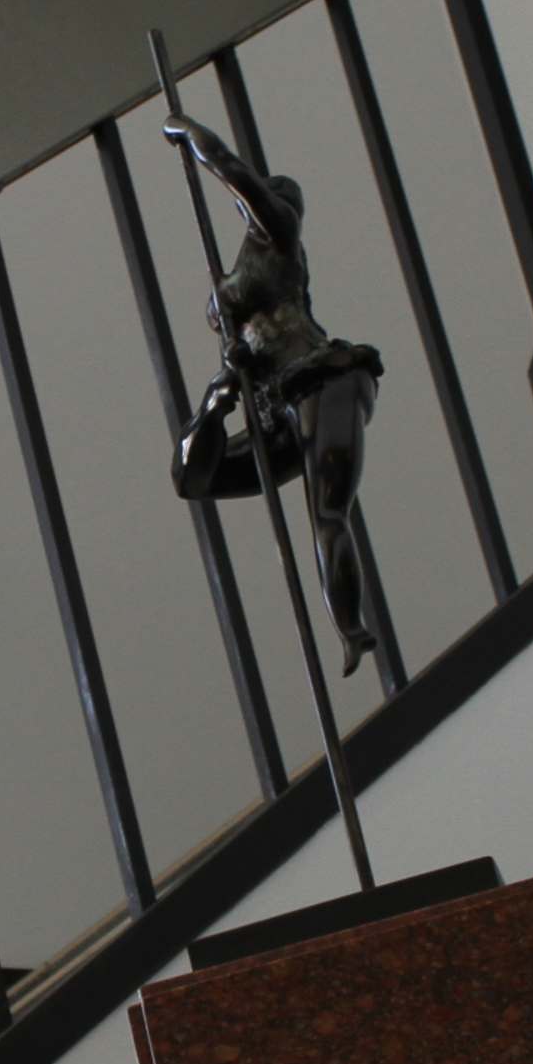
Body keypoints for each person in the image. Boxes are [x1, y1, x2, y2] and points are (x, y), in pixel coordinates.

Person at [162, 114, 386, 674]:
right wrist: (221, 393)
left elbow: (236, 172)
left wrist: (191, 135)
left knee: (328, 512)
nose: (260, 204)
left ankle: (352, 629)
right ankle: (212, 410)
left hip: (318, 378)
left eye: (269, 198)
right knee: (193, 475)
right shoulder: (237, 271)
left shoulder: (280, 235)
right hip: (273, 412)